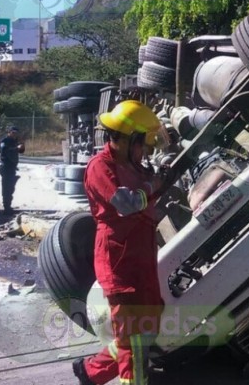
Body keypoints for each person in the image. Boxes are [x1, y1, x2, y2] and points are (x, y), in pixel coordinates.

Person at [73, 100, 177, 385]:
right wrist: (153, 186)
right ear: (130, 139)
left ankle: (91, 371)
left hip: (141, 254)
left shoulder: (133, 166)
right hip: (119, 256)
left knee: (149, 322)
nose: (145, 151)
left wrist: (163, 180)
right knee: (133, 339)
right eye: (143, 144)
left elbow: (148, 191)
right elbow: (127, 203)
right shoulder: (100, 167)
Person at [0, 126, 24, 214]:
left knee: (11, 187)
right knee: (7, 188)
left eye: (16, 133)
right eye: (13, 133)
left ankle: (8, 206)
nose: (14, 134)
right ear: (9, 132)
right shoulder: (4, 141)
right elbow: (4, 150)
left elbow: (21, 151)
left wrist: (21, 144)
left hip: (12, 167)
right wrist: (16, 148)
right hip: (6, 167)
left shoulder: (15, 141)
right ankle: (6, 207)